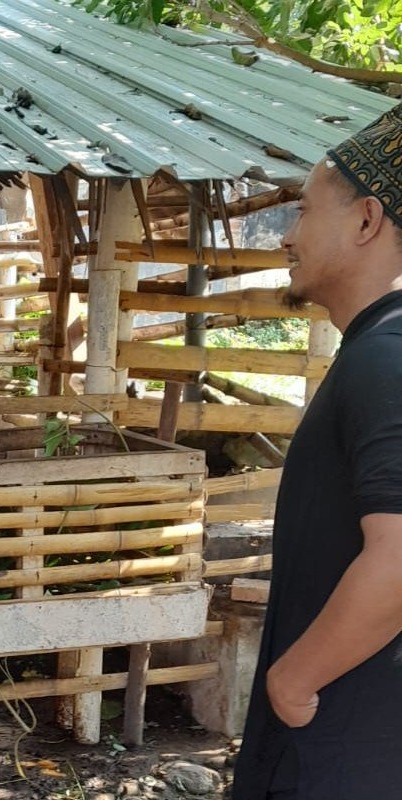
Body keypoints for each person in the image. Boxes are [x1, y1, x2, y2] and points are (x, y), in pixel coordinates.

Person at [232, 103, 402, 799]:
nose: (286, 236)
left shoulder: (385, 359)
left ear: (366, 220)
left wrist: (293, 679)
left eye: (302, 213)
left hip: (347, 753)